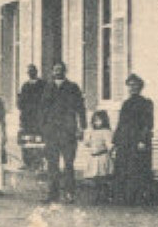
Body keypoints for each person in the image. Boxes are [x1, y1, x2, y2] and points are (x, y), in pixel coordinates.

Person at [38, 61, 86, 203]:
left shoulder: (72, 87)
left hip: (68, 131)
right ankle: (52, 194)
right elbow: (42, 109)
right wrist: (43, 128)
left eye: (60, 69)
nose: (57, 72)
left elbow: (80, 108)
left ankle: (69, 194)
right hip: (51, 132)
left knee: (68, 163)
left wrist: (82, 127)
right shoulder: (47, 88)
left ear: (65, 71)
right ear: (52, 72)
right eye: (55, 69)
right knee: (52, 163)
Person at [112, 74, 156, 205]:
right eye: (130, 85)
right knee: (123, 168)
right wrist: (115, 142)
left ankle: (137, 198)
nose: (132, 88)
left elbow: (148, 124)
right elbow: (120, 124)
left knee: (137, 169)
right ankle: (124, 198)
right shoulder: (126, 103)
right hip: (125, 141)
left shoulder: (146, 103)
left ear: (140, 87)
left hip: (137, 141)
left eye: (135, 85)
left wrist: (142, 140)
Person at [16, 64, 47, 170]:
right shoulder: (25, 85)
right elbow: (20, 103)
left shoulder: (43, 84)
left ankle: (38, 162)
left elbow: (46, 101)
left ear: (36, 72)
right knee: (26, 139)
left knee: (39, 139)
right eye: (29, 71)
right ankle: (27, 162)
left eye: (32, 71)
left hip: (39, 116)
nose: (31, 73)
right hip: (27, 117)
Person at [84, 109, 114, 203]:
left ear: (104, 121)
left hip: (102, 156)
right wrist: (87, 137)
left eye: (99, 120)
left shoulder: (106, 132)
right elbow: (88, 143)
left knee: (103, 178)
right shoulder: (92, 132)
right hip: (94, 157)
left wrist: (110, 151)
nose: (97, 122)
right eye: (95, 120)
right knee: (95, 179)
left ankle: (105, 196)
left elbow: (109, 144)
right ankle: (96, 196)